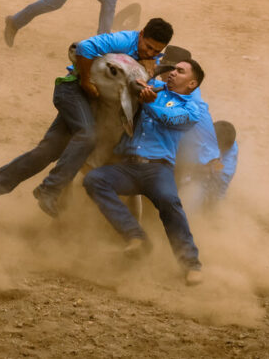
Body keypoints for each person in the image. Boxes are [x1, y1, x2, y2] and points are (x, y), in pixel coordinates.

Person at [0, 18, 173, 218]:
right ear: (140, 34)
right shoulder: (123, 40)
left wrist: (147, 85)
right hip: (73, 91)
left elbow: (135, 85)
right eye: (148, 47)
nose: (150, 53)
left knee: (47, 150)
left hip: (96, 105)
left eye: (157, 51)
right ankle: (49, 190)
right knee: (87, 136)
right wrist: (86, 81)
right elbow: (84, 47)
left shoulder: (150, 60)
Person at [83, 58, 207, 286]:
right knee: (94, 180)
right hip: (128, 165)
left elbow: (170, 118)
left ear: (192, 84)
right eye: (172, 69)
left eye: (180, 71)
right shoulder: (153, 89)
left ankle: (191, 264)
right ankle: (136, 236)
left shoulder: (191, 108)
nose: (172, 73)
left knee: (170, 203)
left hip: (157, 168)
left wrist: (148, 101)